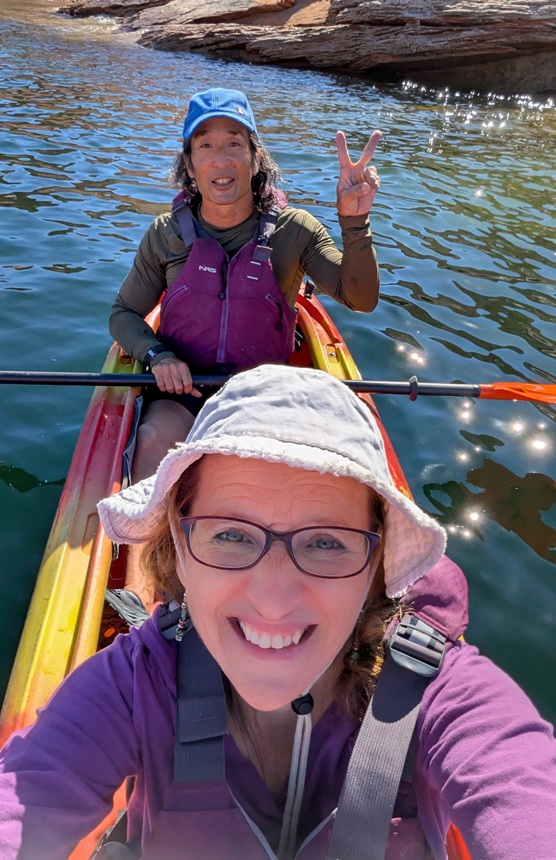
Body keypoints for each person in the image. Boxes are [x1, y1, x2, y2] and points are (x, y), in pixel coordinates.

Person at [1, 364, 555, 860]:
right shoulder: (133, 684)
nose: (272, 598)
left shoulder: (447, 695)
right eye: (231, 536)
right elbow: (26, 798)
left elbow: (521, 795)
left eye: (327, 543)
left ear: (377, 567)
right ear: (178, 546)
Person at [107, 87, 382, 618]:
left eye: (234, 142)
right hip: (183, 393)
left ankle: (272, 585)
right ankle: (141, 597)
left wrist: (354, 220)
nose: (221, 158)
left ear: (255, 156)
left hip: (264, 400)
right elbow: (123, 314)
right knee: (157, 435)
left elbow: (359, 297)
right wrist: (157, 354)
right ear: (189, 164)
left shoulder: (296, 232)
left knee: (261, 483)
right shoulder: (165, 237)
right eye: (205, 146)